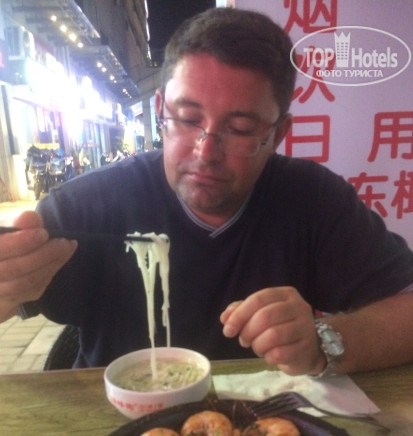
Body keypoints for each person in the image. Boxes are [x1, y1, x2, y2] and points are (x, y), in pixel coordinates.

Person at [1, 7, 413, 374]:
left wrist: (325, 341)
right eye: (186, 119)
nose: (206, 151)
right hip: (116, 424)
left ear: (277, 134)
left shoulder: (313, 200)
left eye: (240, 129)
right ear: (160, 109)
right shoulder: (87, 206)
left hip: (263, 423)